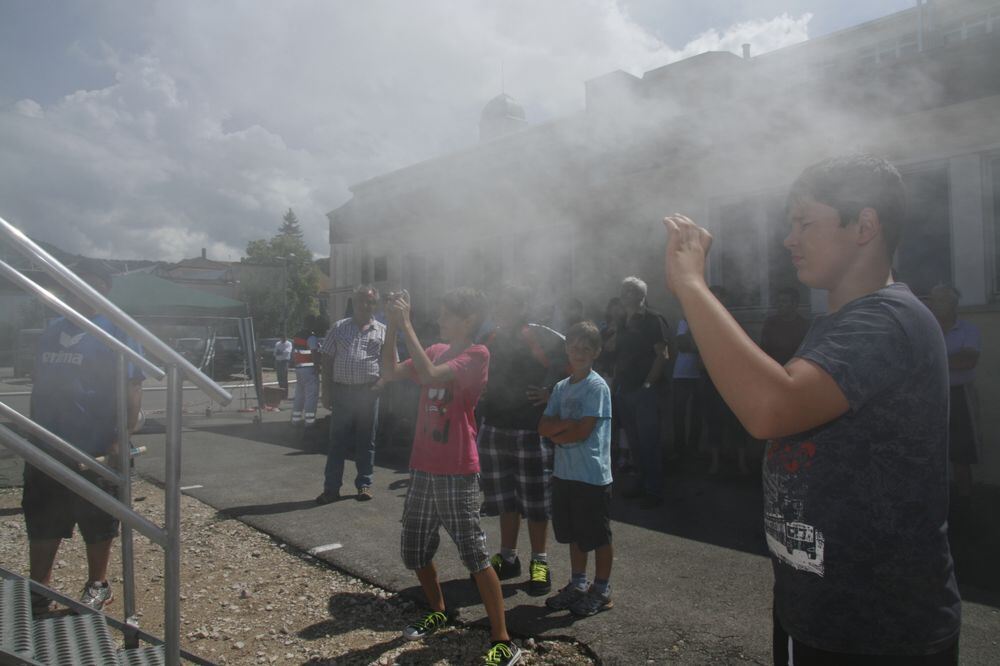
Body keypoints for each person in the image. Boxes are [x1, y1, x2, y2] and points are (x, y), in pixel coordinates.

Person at [662, 154, 960, 664]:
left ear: (864, 225)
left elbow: (770, 408)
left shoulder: (889, 319)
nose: (788, 238)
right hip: (823, 615)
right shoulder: (841, 322)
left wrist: (692, 286)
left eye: (804, 222)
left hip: (877, 632)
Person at [379, 288, 521, 666]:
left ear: (468, 320)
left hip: (458, 470)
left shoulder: (477, 355)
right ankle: (438, 610)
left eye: (445, 314)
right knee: (413, 550)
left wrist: (406, 322)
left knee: (474, 555)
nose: (439, 320)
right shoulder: (438, 348)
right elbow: (390, 371)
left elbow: (428, 375)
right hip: (423, 467)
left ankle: (503, 638)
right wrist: (393, 327)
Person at [24, 259, 144, 613]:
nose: (75, 291)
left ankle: (98, 583)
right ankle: (39, 586)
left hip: (95, 444)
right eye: (71, 283)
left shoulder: (117, 330)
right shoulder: (53, 327)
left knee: (97, 518)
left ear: (101, 288)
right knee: (43, 516)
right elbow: (39, 380)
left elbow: (133, 384)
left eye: (85, 283)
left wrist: (121, 437)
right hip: (47, 440)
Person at [478, 284, 566, 596]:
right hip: (493, 428)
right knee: (505, 499)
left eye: (508, 304)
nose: (502, 309)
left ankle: (539, 562)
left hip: (530, 430)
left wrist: (551, 389)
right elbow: (474, 367)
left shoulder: (538, 334)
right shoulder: (489, 336)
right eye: (499, 304)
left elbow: (574, 359)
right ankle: (509, 557)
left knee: (537, 501)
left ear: (521, 306)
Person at [538, 321, 615, 617]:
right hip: (565, 474)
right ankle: (578, 584)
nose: (578, 352)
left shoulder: (596, 386)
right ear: (566, 348)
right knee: (574, 535)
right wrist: (565, 426)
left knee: (597, 536)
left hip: (592, 476)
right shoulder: (560, 387)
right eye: (573, 347)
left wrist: (560, 429)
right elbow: (542, 427)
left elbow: (583, 432)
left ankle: (603, 589)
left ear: (596, 351)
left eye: (585, 348)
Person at [316, 285, 387, 504]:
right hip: (343, 392)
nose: (365, 306)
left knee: (366, 441)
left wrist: (381, 383)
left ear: (375, 305)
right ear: (354, 303)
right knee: (337, 441)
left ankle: (364, 485)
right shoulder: (338, 327)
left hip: (368, 393)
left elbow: (390, 363)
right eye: (361, 301)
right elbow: (326, 360)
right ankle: (331, 489)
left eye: (370, 302)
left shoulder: (383, 330)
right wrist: (326, 392)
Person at [613, 276, 671, 508]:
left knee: (649, 443)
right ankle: (642, 482)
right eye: (623, 289)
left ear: (641, 295)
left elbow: (663, 355)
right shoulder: (621, 321)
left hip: (645, 391)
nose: (625, 294)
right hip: (624, 389)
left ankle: (654, 490)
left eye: (631, 290)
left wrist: (648, 384)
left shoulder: (653, 320)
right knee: (635, 443)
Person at [927, 283, 981, 523]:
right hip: (930, 396)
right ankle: (936, 504)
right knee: (930, 451)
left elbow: (967, 361)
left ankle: (965, 502)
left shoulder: (968, 329)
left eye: (942, 300)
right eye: (934, 300)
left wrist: (933, 362)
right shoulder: (926, 330)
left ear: (954, 304)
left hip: (959, 396)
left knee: (961, 452)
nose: (936, 304)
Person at [670, 317, 702, 463]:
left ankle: (693, 449)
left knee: (697, 415)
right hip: (682, 374)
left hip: (699, 373)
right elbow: (682, 345)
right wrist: (701, 346)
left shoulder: (705, 320)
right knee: (679, 414)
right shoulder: (685, 320)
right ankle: (679, 449)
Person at [760, 286, 810, 366]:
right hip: (774, 368)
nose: (779, 305)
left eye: (784, 301)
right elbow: (763, 351)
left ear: (794, 304)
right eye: (778, 301)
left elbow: (806, 354)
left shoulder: (804, 326)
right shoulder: (770, 323)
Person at [291, 317, 320, 426]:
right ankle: (309, 422)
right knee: (311, 395)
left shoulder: (297, 336)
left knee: (299, 394)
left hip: (299, 368)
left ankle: (295, 419)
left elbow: (294, 352)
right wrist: (317, 368)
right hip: (309, 369)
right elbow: (314, 353)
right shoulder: (311, 337)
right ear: (312, 324)